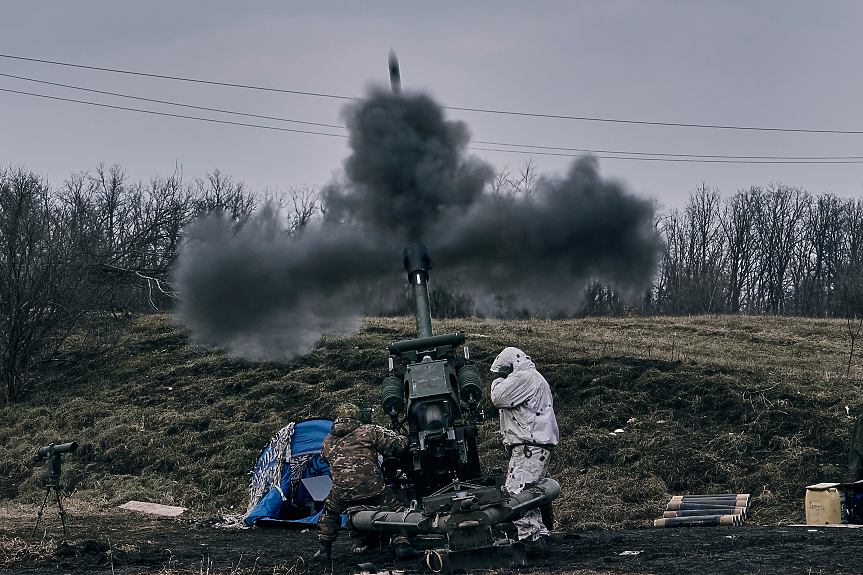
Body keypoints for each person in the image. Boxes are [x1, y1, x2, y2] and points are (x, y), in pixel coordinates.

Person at [314, 403, 418, 562]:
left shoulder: (328, 439)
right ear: (358, 416)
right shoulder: (370, 430)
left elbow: (325, 458)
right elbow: (394, 448)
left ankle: (324, 550)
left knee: (329, 512)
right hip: (373, 488)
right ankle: (402, 546)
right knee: (396, 509)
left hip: (342, 492)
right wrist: (405, 438)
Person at [490, 347, 560, 558]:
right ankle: (540, 534)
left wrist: (497, 381)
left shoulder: (523, 377)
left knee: (516, 496)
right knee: (531, 495)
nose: (502, 376)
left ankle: (530, 541)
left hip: (529, 446)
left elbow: (498, 397)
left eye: (503, 371)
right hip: (536, 445)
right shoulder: (535, 377)